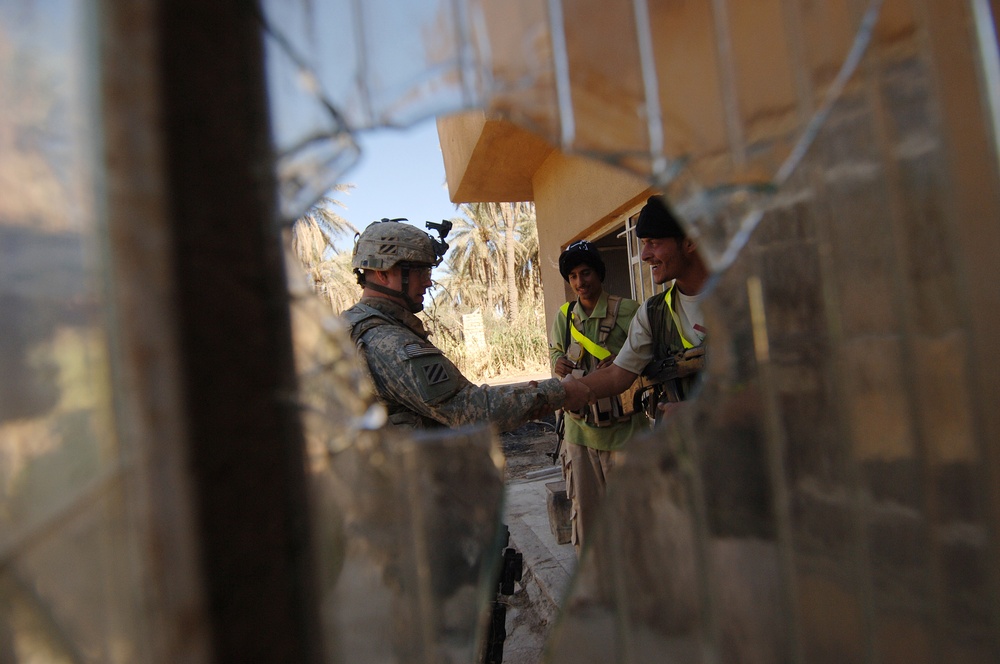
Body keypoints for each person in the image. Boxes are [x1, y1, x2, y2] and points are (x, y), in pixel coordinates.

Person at [341, 218, 593, 431]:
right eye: (421, 273)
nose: (428, 283)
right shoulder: (386, 341)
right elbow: (468, 410)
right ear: (383, 273)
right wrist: (558, 392)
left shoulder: (355, 326)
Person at [569, 195, 709, 425]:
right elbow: (617, 375)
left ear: (690, 241)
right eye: (644, 244)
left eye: (653, 242)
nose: (644, 255)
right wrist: (559, 392)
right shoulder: (653, 313)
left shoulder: (748, 299)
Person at [549, 240, 648, 552]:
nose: (581, 282)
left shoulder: (629, 312)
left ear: (599, 274)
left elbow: (649, 360)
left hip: (623, 434)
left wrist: (622, 361)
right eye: (574, 276)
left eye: (586, 273)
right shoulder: (564, 318)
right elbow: (554, 351)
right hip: (579, 435)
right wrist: (557, 363)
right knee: (587, 520)